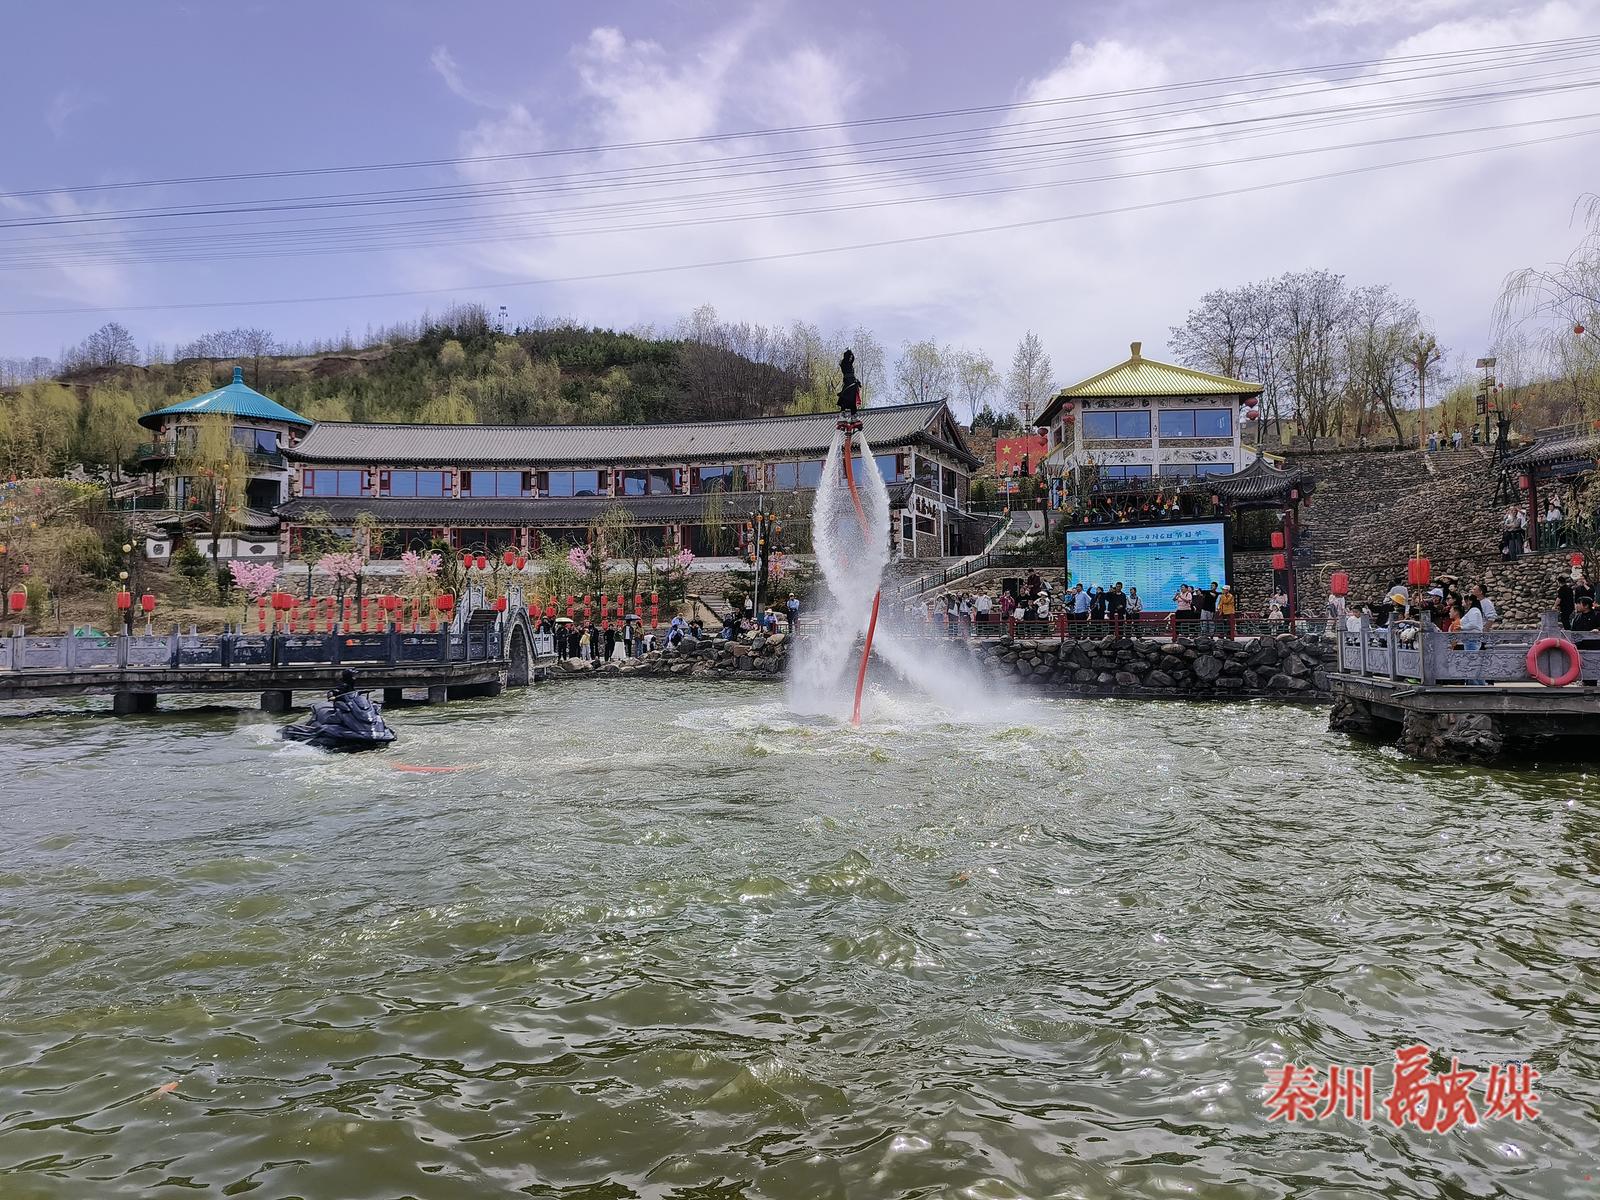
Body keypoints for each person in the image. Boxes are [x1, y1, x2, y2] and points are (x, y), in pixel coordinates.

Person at [1457, 599, 1486, 686]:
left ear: (1469, 601)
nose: (1462, 602)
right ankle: (1478, 683)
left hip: (1471, 640)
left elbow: (1473, 624)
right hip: (1470, 640)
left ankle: (1475, 684)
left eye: (1463, 600)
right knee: (1473, 661)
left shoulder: (1474, 610)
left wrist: (1462, 627)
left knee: (1471, 662)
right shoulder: (1472, 611)